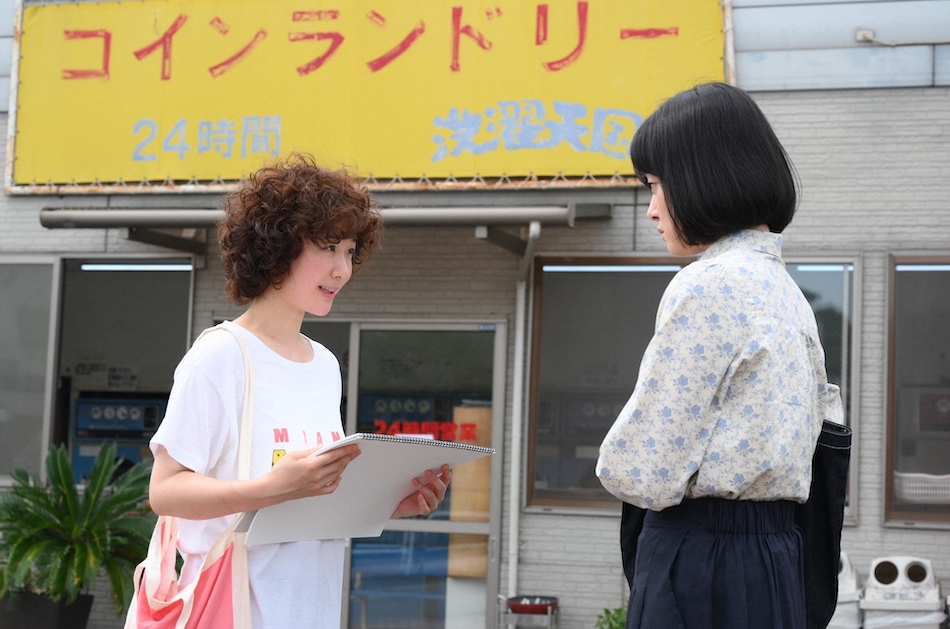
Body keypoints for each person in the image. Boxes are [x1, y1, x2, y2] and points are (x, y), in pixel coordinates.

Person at [148, 153, 452, 629]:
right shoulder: (221, 356)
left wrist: (388, 502)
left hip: (314, 609)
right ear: (277, 246)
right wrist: (269, 489)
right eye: (329, 247)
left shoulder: (324, 365)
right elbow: (165, 491)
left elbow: (313, 498)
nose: (342, 270)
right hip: (238, 610)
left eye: (349, 251)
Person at [595, 82, 843, 629]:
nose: (651, 211)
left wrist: (614, 461)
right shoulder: (788, 294)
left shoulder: (707, 284)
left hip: (703, 558)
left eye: (655, 186)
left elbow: (644, 470)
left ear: (703, 177)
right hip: (778, 557)